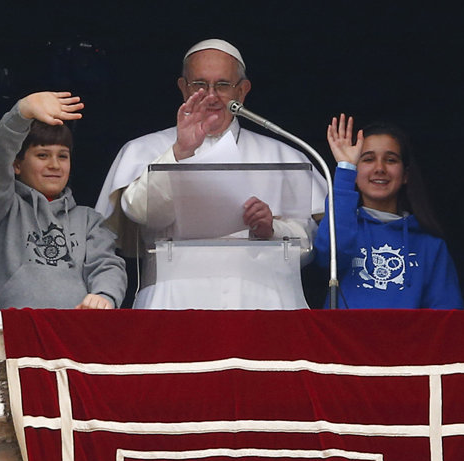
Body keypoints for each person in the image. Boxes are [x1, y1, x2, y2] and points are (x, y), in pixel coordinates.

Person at [95, 39, 327, 309]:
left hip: (264, 304)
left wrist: (272, 229)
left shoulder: (284, 155)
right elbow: (141, 214)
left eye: (223, 85)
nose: (212, 95)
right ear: (183, 88)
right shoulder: (145, 148)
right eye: (200, 85)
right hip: (171, 305)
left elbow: (311, 245)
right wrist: (179, 152)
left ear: (242, 91)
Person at [0, 91, 127, 310]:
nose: (55, 165)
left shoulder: (88, 219)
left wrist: (104, 296)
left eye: (62, 156)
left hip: (72, 330)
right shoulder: (1, 206)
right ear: (16, 164)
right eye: (43, 155)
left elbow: (107, 265)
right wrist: (21, 112)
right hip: (8, 330)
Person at [314, 114, 463, 309]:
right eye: (368, 159)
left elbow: (447, 317)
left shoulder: (430, 245)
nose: (379, 168)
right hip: (345, 339)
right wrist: (345, 170)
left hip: (409, 340)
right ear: (356, 173)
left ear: (405, 175)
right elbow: (327, 254)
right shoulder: (344, 231)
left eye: (390, 160)